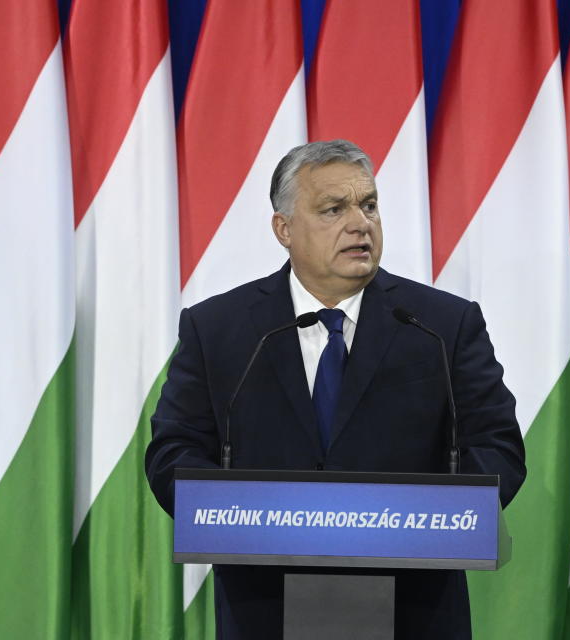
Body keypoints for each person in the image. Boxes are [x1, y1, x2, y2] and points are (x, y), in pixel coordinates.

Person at [145, 139, 525, 639]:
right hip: (264, 606)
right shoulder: (220, 329)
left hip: (414, 607)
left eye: (368, 205)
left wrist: (427, 522)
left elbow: (497, 446)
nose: (359, 223)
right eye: (333, 209)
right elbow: (175, 449)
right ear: (283, 229)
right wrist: (240, 513)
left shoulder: (441, 325)